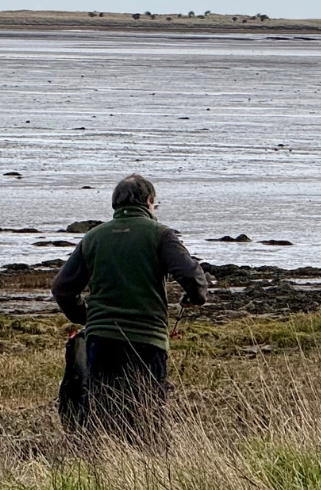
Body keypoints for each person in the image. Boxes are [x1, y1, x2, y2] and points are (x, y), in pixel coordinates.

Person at [52, 174, 211, 446]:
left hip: (102, 340)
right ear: (149, 202)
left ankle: (103, 470)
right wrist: (195, 298)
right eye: (155, 204)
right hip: (147, 340)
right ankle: (145, 472)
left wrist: (87, 316)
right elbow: (193, 276)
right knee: (147, 415)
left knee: (101, 415)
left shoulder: (93, 238)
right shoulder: (161, 234)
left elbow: (62, 289)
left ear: (115, 204)